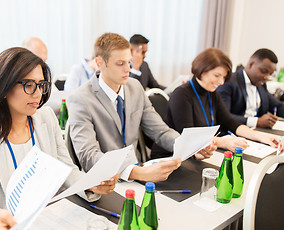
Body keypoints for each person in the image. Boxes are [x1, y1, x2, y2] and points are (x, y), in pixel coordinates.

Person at [0, 48, 119, 230]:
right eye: (29, 85)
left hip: (49, 223)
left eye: (41, 85)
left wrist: (90, 184)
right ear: (3, 88)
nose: (38, 93)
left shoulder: (45, 119)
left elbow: (66, 169)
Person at [67, 33, 216, 183]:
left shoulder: (135, 87)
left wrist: (191, 146)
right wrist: (137, 172)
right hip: (106, 182)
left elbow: (160, 131)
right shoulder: (80, 99)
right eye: (120, 63)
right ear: (99, 63)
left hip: (139, 173)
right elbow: (88, 156)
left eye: (129, 62)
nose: (128, 69)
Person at [152, 48, 280, 156]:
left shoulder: (211, 93)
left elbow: (231, 123)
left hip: (200, 152)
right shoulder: (181, 94)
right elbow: (189, 136)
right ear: (202, 70)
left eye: (224, 77)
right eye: (217, 76)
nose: (221, 82)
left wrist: (261, 137)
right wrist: (222, 142)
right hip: (172, 156)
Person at [216, 48, 284, 128]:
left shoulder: (261, 85)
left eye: (270, 74)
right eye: (264, 71)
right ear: (251, 64)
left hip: (256, 132)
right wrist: (256, 121)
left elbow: (278, 106)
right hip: (234, 132)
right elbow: (223, 116)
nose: (267, 77)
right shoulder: (229, 82)